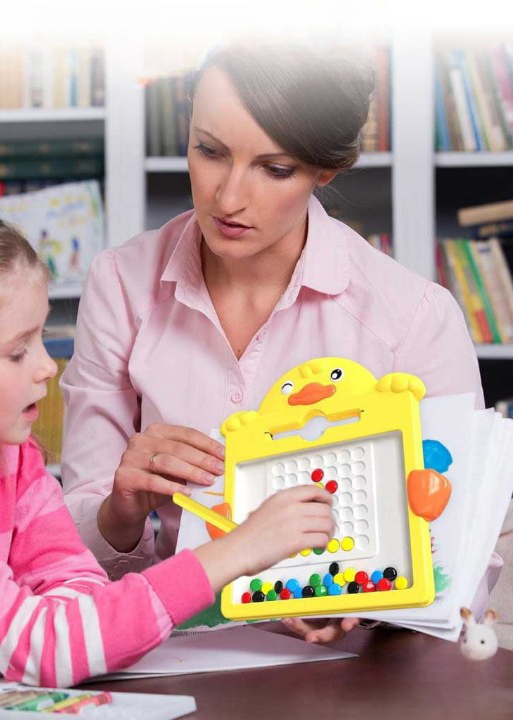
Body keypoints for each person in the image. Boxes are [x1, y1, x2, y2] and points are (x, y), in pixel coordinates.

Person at [60, 39, 495, 643]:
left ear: (326, 169)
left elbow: (465, 561)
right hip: (164, 648)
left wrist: (363, 607)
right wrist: (120, 510)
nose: (228, 197)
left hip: (349, 671)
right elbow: (66, 552)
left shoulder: (412, 316)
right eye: (209, 151)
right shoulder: (121, 283)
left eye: (275, 168)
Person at [0, 204, 336, 686]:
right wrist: (234, 552)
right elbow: (50, 646)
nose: (47, 367)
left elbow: (75, 583)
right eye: (16, 352)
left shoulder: (11, 458)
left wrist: (10, 646)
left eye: (41, 338)